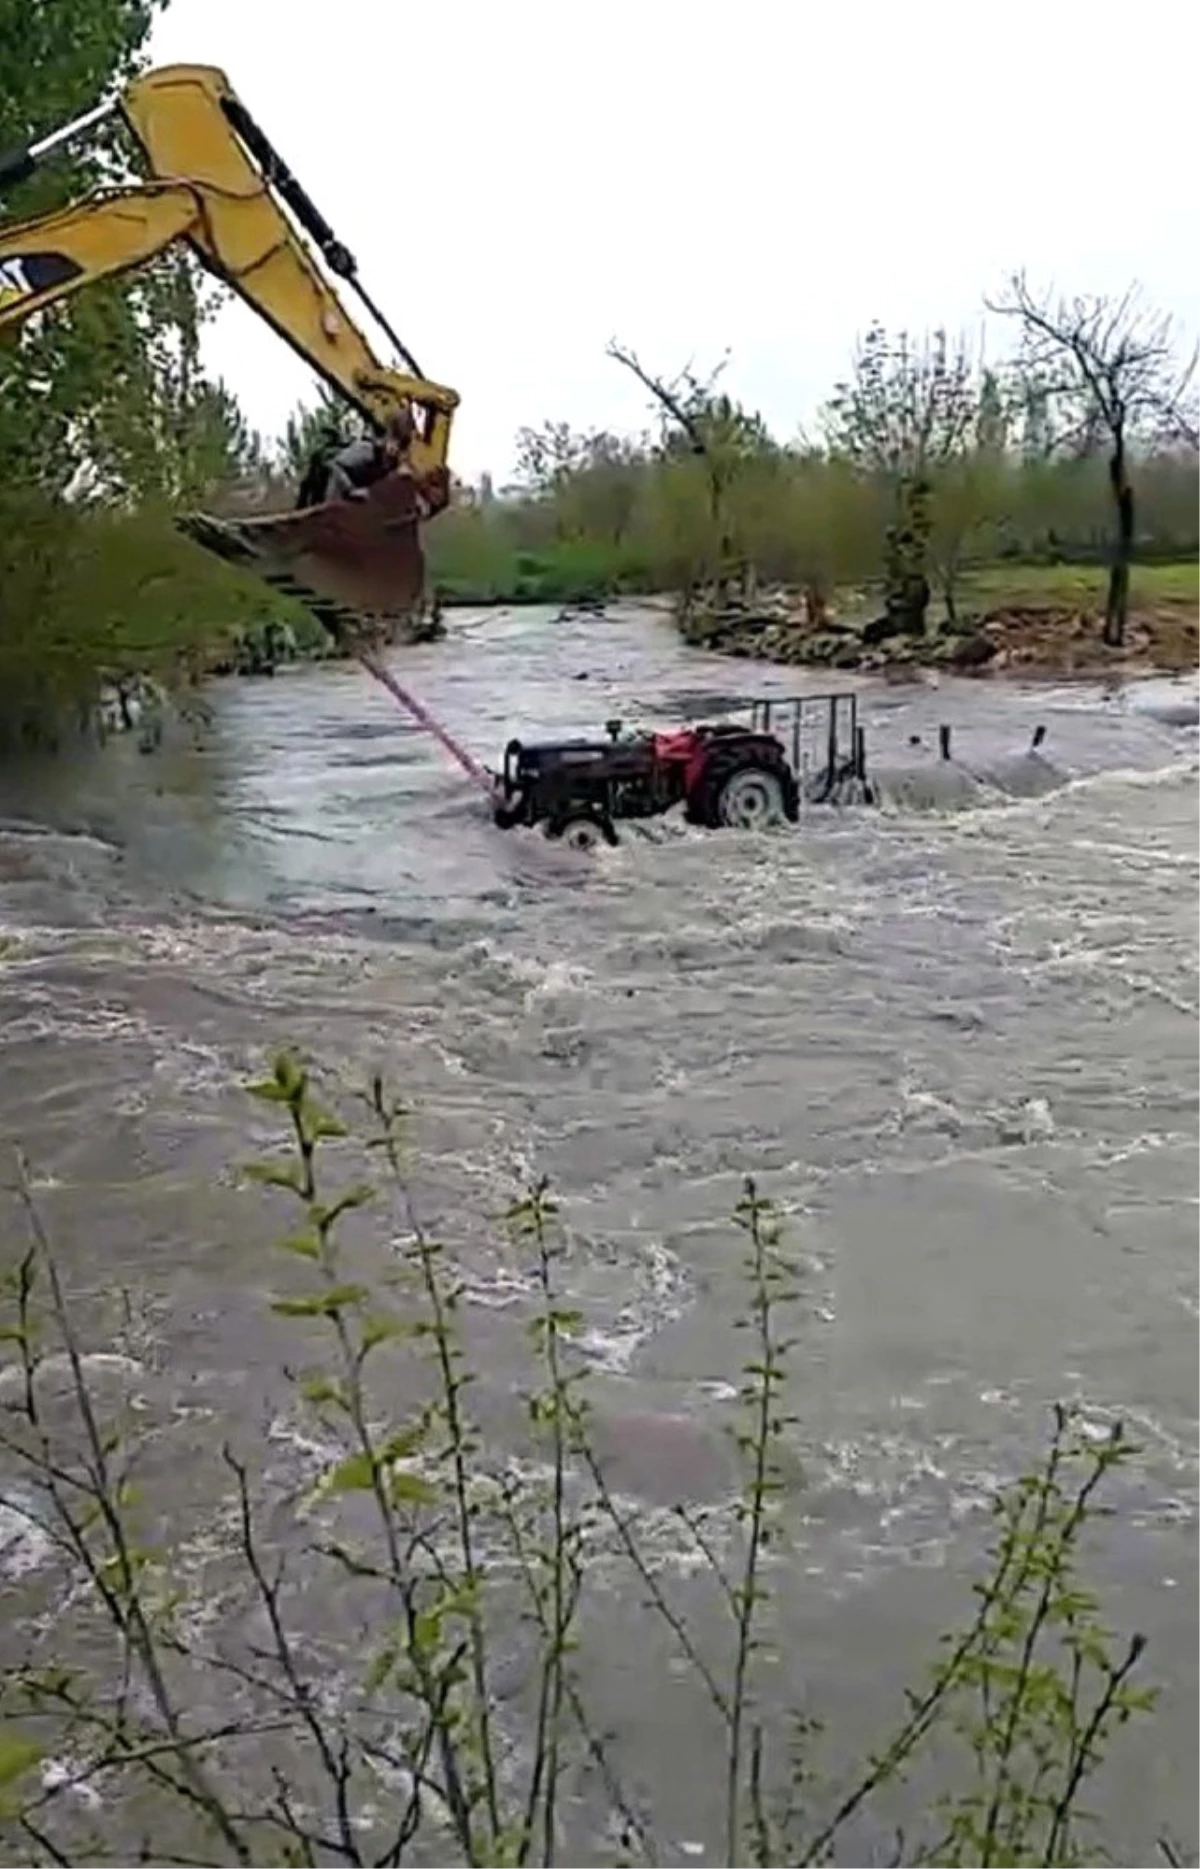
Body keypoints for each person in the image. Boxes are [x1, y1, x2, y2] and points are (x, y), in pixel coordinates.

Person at [316, 405, 416, 505]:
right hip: (338, 497)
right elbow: (336, 465)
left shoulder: (392, 464)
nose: (396, 448)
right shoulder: (366, 450)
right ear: (388, 438)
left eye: (401, 445)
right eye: (394, 442)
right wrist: (350, 489)